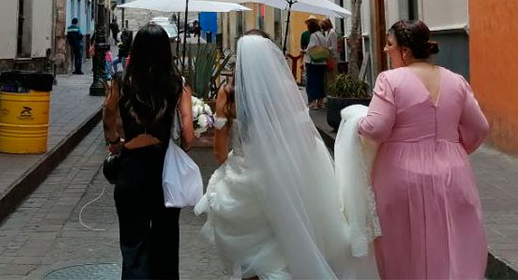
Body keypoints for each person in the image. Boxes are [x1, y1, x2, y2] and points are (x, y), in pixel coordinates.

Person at [196, 32, 377, 279]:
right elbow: (306, 140)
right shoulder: (285, 90)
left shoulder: (227, 94)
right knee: (284, 244)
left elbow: (218, 154)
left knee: (249, 256)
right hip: (281, 176)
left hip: (240, 183)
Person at [356, 20, 490, 279]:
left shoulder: (389, 79)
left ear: (404, 51)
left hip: (401, 170)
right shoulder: (456, 80)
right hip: (454, 169)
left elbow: (377, 128)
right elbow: (480, 127)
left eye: (389, 44)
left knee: (404, 244)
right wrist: (454, 147)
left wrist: (356, 120)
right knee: (453, 241)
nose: (385, 49)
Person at [102, 24, 193, 279]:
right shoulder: (178, 83)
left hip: (131, 168)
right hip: (164, 171)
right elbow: (187, 134)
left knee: (133, 243)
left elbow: (109, 115)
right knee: (166, 240)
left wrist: (116, 140)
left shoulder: (121, 80)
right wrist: (181, 146)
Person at [304, 18, 329, 109]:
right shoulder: (322, 36)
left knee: (312, 82)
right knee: (320, 82)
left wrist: (304, 51)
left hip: (313, 62)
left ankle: (313, 103)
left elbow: (311, 48)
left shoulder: (314, 36)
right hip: (322, 62)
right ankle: (321, 102)